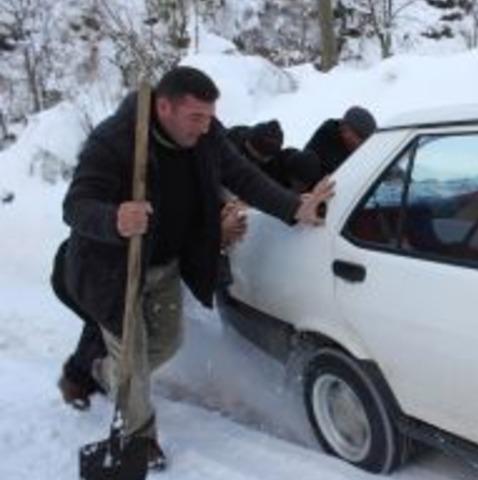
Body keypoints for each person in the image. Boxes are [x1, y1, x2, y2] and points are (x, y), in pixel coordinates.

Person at [60, 66, 333, 471]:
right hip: (113, 271)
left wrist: (294, 208)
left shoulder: (207, 135)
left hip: (165, 266)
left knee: (167, 342)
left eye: (209, 117)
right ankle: (140, 438)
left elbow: (243, 176)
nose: (205, 127)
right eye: (196, 117)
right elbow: (76, 205)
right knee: (134, 360)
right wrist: (115, 218)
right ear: (164, 107)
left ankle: (103, 370)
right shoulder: (114, 141)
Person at [54, 203, 247, 411]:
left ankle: (89, 380)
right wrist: (213, 234)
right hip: (88, 275)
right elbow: (168, 231)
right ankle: (92, 381)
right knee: (124, 333)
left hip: (105, 274)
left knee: (124, 332)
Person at [227, 120, 322, 192]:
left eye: (268, 157)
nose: (266, 160)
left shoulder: (272, 162)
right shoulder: (228, 145)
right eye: (263, 156)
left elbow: (287, 160)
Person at [305, 106, 377, 176]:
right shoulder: (327, 133)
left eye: (364, 140)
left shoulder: (365, 151)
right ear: (345, 128)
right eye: (359, 136)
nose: (360, 143)